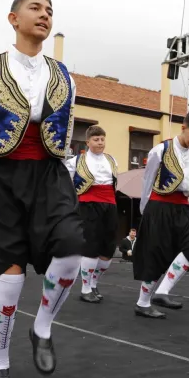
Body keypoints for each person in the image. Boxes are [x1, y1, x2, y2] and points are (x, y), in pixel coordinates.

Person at [0, 0, 83, 378]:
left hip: (49, 173)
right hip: (3, 174)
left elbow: (65, 130)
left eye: (49, 11)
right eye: (35, 8)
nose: (44, 15)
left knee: (72, 251)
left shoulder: (65, 76)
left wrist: (57, 168)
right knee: (10, 276)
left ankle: (42, 326)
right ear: (13, 18)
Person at [132, 110, 189, 319]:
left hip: (183, 207)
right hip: (159, 206)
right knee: (155, 254)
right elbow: (147, 181)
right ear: (183, 128)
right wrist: (144, 210)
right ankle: (143, 302)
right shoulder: (160, 150)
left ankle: (163, 291)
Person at [64, 125, 119, 303]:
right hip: (87, 205)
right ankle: (85, 288)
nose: (100, 142)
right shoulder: (75, 161)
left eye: (102, 139)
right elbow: (65, 186)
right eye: (96, 139)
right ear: (88, 142)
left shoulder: (112, 160)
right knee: (91, 247)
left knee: (108, 250)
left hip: (110, 205)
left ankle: (94, 283)